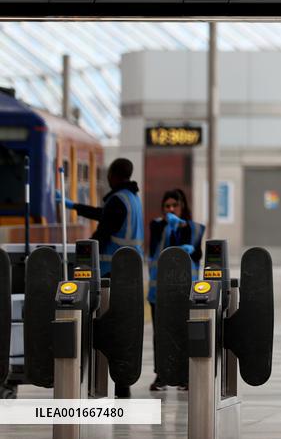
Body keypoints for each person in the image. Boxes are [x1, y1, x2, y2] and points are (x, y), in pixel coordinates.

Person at [57, 157, 144, 398]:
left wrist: (84, 256)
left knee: (104, 329)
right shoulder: (133, 199)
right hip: (129, 274)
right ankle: (121, 385)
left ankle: (108, 385)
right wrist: (74, 206)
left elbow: (103, 231)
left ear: (113, 175)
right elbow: (105, 215)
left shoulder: (118, 200)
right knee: (121, 330)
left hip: (109, 276)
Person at [147, 189, 204, 392]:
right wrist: (169, 230)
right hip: (159, 291)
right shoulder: (157, 225)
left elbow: (197, 254)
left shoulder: (194, 229)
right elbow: (157, 249)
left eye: (174, 205)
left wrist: (188, 245)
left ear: (182, 206)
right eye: (167, 206)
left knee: (183, 332)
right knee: (160, 334)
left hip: (184, 291)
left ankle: (184, 376)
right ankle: (161, 374)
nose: (171, 209)